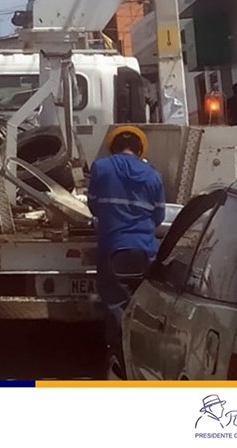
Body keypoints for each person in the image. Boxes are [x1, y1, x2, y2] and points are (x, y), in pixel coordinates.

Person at [88, 129, 166, 326]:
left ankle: (120, 331)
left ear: (113, 148)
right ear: (140, 150)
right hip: (145, 250)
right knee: (144, 300)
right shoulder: (154, 175)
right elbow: (159, 217)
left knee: (110, 296)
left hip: (111, 248)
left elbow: (93, 205)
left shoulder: (101, 167)